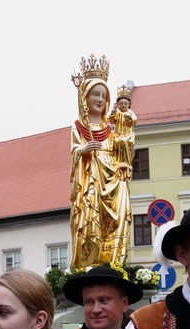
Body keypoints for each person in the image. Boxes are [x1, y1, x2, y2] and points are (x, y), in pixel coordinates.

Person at [70, 54, 132, 268]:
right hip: (92, 181)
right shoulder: (78, 128)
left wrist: (125, 146)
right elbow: (74, 152)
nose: (99, 99)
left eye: (103, 96)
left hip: (114, 181)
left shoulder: (112, 130)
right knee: (89, 218)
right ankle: (90, 262)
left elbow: (124, 155)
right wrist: (84, 149)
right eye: (95, 94)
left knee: (120, 217)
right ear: (85, 97)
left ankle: (114, 262)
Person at [109, 85, 137, 180]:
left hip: (127, 135)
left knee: (124, 141)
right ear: (118, 105)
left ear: (129, 105)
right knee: (117, 141)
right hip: (118, 134)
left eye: (125, 103)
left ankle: (125, 160)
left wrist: (129, 119)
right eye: (121, 104)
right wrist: (113, 111)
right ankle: (118, 160)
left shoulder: (130, 113)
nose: (123, 105)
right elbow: (111, 120)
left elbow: (134, 120)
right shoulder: (117, 113)